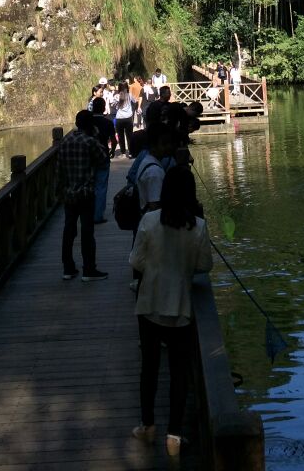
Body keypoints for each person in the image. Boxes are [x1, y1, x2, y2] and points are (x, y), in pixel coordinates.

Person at [129, 166, 212, 457]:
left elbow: (136, 261)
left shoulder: (150, 221)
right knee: (179, 373)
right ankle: (174, 435)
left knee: (149, 368)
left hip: (149, 304)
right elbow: (204, 266)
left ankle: (148, 425)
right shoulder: (198, 226)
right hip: (180, 308)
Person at [58, 110, 108, 281]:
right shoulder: (90, 142)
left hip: (69, 193)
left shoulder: (65, 141)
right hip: (86, 192)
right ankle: (89, 269)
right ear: (90, 125)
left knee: (68, 230)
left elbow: (59, 169)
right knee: (87, 231)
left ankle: (68, 268)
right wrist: (97, 137)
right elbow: (103, 160)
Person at [89, 97, 116, 223]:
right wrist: (112, 150)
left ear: (92, 107)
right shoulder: (108, 122)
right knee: (101, 186)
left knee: (89, 185)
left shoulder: (87, 122)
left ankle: (87, 213)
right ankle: (98, 215)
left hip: (88, 157)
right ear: (104, 108)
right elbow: (114, 140)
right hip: (103, 155)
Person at [114, 82, 136, 157]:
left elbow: (114, 106)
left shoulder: (116, 96)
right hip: (128, 117)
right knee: (129, 136)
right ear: (127, 87)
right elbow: (135, 101)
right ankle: (131, 152)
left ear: (119, 88)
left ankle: (123, 152)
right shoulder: (129, 95)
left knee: (120, 136)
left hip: (119, 118)